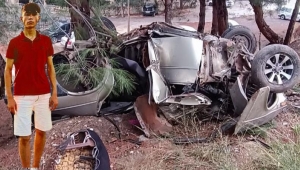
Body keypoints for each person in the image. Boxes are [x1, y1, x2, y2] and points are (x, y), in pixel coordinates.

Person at [4, 2, 58, 170]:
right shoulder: (14, 43)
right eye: (27, 14)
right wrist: (10, 97)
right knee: (24, 137)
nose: (30, 17)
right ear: (21, 18)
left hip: (43, 94)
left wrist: (54, 93)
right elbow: (7, 70)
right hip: (21, 95)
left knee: (41, 132)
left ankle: (35, 167)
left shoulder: (46, 41)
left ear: (38, 18)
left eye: (33, 14)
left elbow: (50, 67)